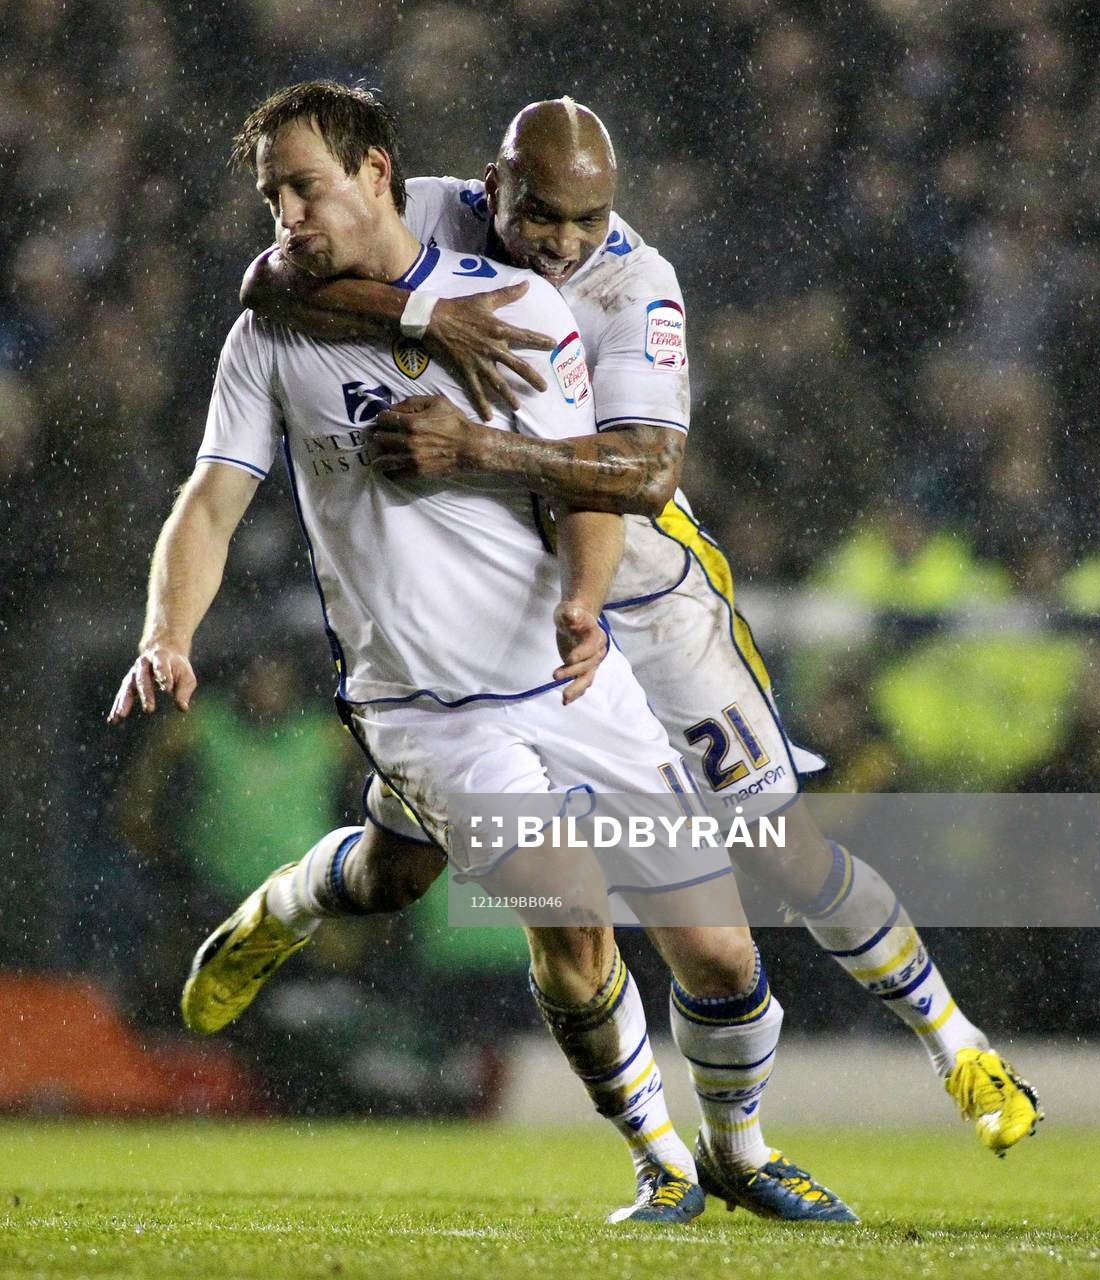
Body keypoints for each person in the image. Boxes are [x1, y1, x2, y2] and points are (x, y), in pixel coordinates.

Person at [234, 95, 1043, 1161]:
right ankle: (282, 906)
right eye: (543, 219)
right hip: (493, 628)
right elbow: (269, 284)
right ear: (494, 186)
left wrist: (475, 448)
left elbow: (645, 473)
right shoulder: (431, 217)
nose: (565, 244)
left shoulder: (634, 283)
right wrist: (420, 316)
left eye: (588, 218)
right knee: (398, 872)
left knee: (780, 855)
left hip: (649, 611)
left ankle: (956, 1044)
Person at [108, 81, 855, 1226]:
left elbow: (593, 477)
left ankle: (739, 1149)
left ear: (377, 176)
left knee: (712, 946)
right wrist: (168, 629)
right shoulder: (269, 332)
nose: (287, 216)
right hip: (425, 703)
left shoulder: (515, 306)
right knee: (569, 907)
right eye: (271, 196)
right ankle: (660, 1163)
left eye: (305, 188)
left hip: (565, 676)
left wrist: (587, 602)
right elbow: (209, 503)